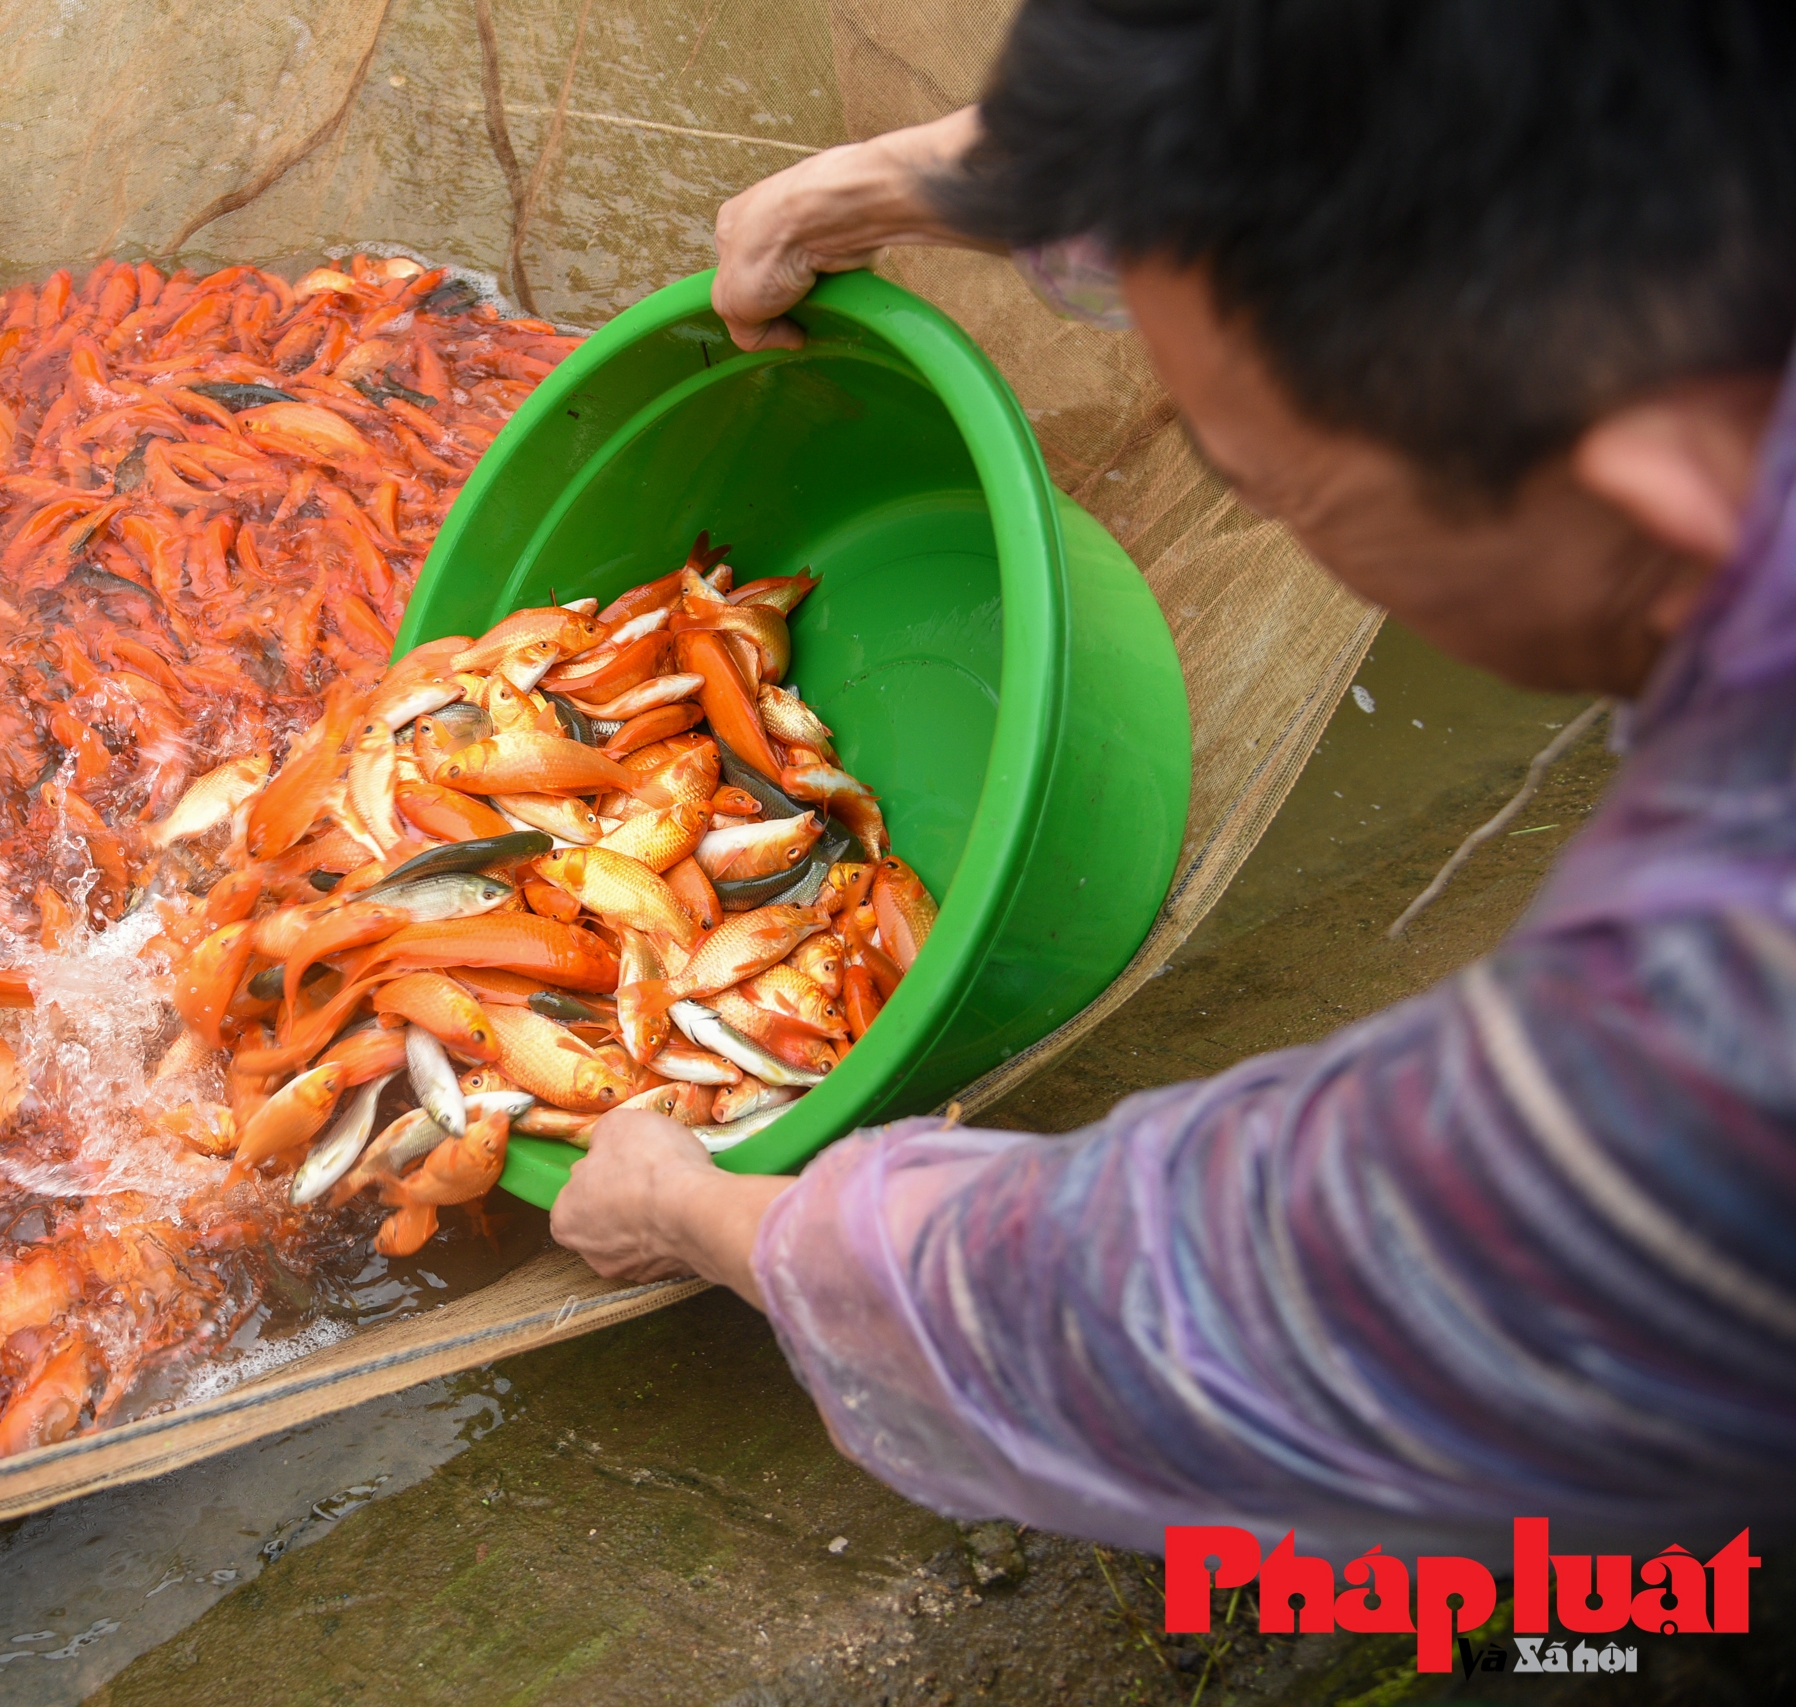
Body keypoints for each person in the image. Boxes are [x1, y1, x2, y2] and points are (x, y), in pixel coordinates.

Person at [550, 0, 1796, 1562]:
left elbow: (1242, 1306)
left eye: (1269, 485)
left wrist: (699, 1212)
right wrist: (902, 185)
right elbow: (1365, 71)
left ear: (1634, 496)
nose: (1275, 518)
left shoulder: (1719, 1002)